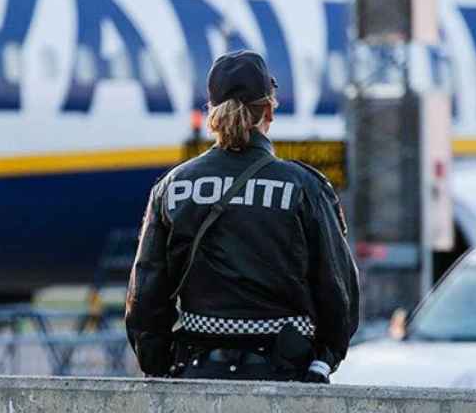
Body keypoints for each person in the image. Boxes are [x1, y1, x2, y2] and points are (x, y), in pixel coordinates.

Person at [125, 50, 359, 382]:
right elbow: (338, 292)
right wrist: (322, 362)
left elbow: (146, 295)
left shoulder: (172, 187)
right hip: (285, 374)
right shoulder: (304, 187)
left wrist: (160, 367)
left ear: (213, 114)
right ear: (269, 111)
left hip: (195, 373)